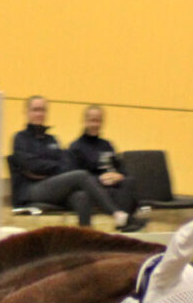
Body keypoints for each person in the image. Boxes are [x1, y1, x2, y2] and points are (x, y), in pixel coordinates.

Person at [10, 96, 146, 233]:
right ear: (27, 112)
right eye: (35, 110)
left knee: (81, 196)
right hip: (31, 189)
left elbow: (63, 164)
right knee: (80, 175)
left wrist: (51, 168)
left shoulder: (52, 139)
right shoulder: (20, 138)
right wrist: (54, 167)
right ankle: (118, 214)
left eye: (43, 110)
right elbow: (31, 165)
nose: (40, 114)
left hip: (53, 186)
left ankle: (86, 236)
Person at [68, 105, 145, 220]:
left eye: (98, 121)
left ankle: (125, 222)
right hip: (93, 189)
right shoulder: (76, 147)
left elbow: (121, 168)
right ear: (85, 121)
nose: (95, 124)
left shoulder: (107, 145)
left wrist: (119, 176)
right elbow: (76, 177)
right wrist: (100, 179)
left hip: (111, 186)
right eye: (92, 120)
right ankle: (124, 219)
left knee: (130, 181)